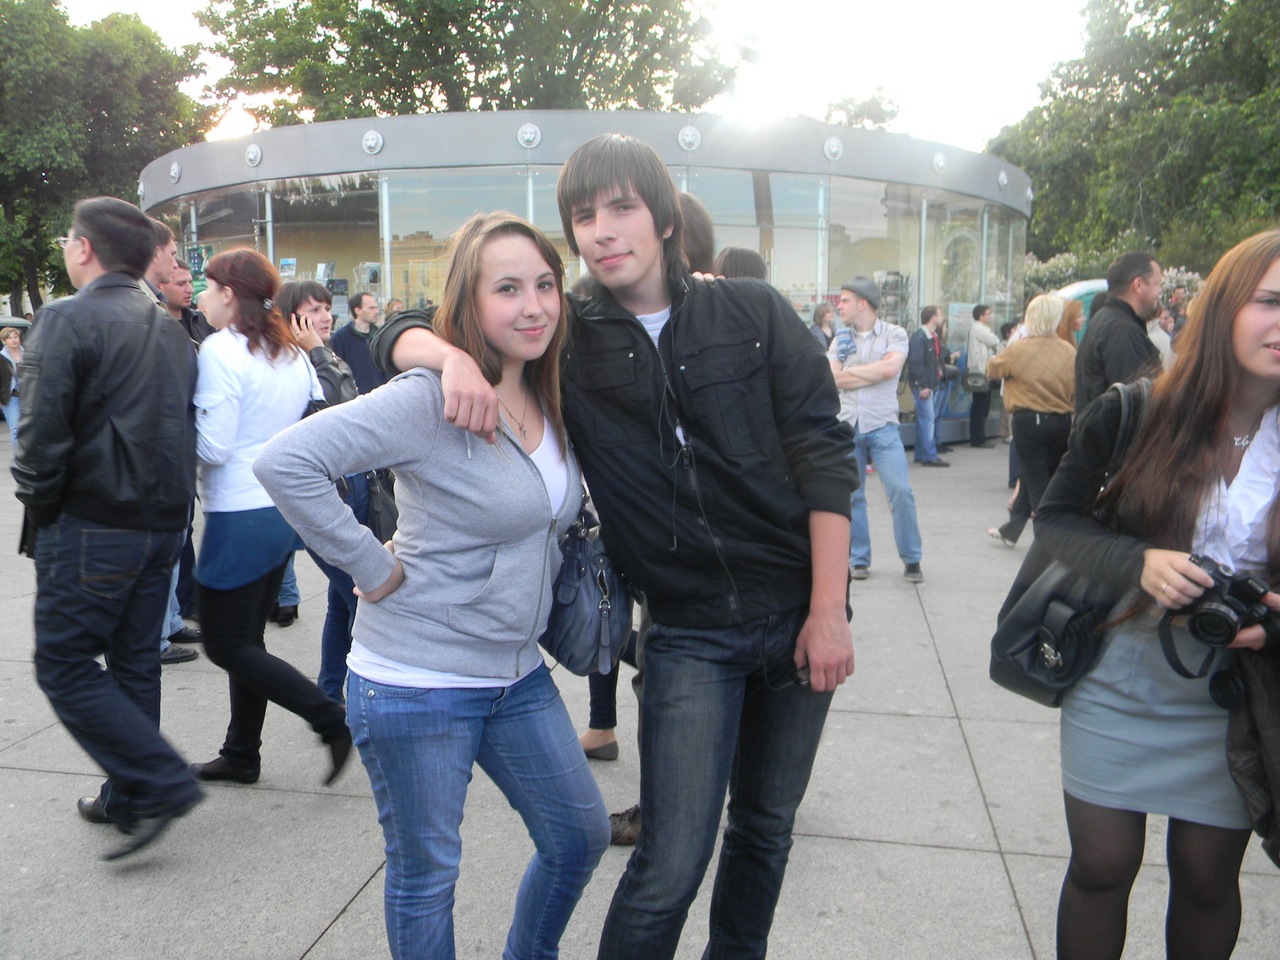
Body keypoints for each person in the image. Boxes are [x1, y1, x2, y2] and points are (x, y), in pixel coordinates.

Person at [372, 133, 857, 960]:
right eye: (584, 215)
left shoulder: (752, 312)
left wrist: (827, 610)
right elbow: (403, 325)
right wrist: (447, 357)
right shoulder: (570, 332)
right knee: (670, 859)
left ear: (664, 218)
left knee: (765, 831)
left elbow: (822, 452)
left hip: (796, 611)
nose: (602, 229)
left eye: (622, 208)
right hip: (687, 631)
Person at [255, 212, 609, 959]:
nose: (534, 306)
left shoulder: (553, 389)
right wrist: (369, 565)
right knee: (426, 876)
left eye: (545, 285)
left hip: (517, 674)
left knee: (579, 836)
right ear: (469, 301)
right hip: (416, 680)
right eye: (507, 289)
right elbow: (286, 463)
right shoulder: (428, 398)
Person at [1035, 229, 1280, 960]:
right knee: (1102, 867)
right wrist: (1137, 561)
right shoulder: (1136, 412)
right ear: (1225, 305)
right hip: (1119, 673)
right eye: (1271, 301)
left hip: (1238, 695)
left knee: (1207, 879)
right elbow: (1055, 521)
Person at [15, 196, 203, 859]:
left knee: (64, 664)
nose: (66, 247)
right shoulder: (170, 330)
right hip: (161, 523)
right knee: (133, 662)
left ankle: (158, 779)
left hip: (94, 521)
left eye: (69, 238)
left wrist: (43, 512)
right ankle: (131, 795)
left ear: (85, 248)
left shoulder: (66, 318)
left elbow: (40, 439)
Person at [187, 249, 351, 788]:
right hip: (282, 507)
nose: (202, 298)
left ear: (229, 293)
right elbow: (314, 414)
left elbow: (213, 447)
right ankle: (241, 754)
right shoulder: (289, 351)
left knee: (225, 644)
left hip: (239, 513)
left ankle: (328, 718)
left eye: (208, 288)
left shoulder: (221, 350)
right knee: (247, 640)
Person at [276, 278, 365, 702]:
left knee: (341, 599)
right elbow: (339, 410)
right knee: (362, 599)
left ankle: (330, 693)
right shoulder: (295, 363)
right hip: (321, 500)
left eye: (327, 307)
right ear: (292, 317)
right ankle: (366, 693)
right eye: (314, 309)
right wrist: (316, 351)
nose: (326, 316)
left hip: (348, 491)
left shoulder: (320, 354)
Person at [830, 276, 926, 582]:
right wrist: (872, 372)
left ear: (863, 303)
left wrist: (851, 372)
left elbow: (891, 368)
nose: (839, 305)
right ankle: (859, 559)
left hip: (883, 427)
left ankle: (912, 559)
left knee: (900, 491)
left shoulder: (894, 334)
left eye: (845, 300)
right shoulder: (840, 340)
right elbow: (832, 378)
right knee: (853, 496)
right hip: (848, 427)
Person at [983, 295, 1074, 546]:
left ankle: (1052, 541)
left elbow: (992, 369)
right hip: (1062, 422)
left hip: (1029, 422)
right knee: (1033, 475)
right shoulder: (1069, 351)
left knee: (1036, 484)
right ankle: (1011, 531)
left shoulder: (1019, 349)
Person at [1074, 251, 1164, 411]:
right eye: (1157, 283)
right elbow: (1136, 404)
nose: (1159, 291)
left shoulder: (1106, 320)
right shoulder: (1122, 331)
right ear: (1138, 285)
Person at [907, 305, 949, 466]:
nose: (942, 318)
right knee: (928, 420)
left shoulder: (931, 336)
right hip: (924, 386)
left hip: (931, 384)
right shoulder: (920, 337)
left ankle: (921, 454)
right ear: (933, 317)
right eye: (940, 315)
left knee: (924, 420)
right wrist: (922, 385)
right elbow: (915, 362)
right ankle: (929, 456)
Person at [330, 290, 389, 394]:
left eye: (376, 307)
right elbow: (336, 373)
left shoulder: (381, 336)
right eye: (371, 308)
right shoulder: (340, 339)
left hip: (381, 395)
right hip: (355, 397)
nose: (376, 311)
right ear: (357, 310)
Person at [965, 303, 1001, 447]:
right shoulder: (979, 328)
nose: (990, 316)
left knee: (982, 405)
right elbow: (994, 341)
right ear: (980, 316)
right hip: (980, 371)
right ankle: (978, 438)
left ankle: (979, 437)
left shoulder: (979, 328)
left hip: (982, 369)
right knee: (980, 406)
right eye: (988, 314)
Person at [158, 256, 215, 345]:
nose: (190, 290)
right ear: (160, 286)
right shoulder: (154, 326)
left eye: (190, 282)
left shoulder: (199, 319)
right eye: (181, 284)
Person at [1, 326, 24, 447]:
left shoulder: (28, 354)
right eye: (10, 338)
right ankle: (20, 455)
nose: (14, 340)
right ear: (4, 341)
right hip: (11, 397)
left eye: (16, 337)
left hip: (29, 396)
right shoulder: (1, 358)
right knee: (16, 429)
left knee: (31, 429)